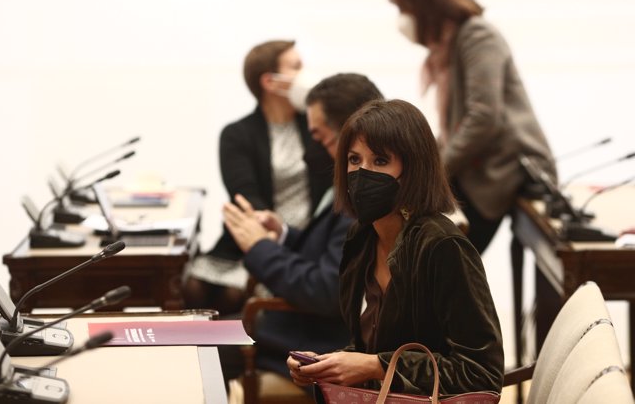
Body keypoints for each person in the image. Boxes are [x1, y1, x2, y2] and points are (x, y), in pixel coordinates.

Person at [287, 99, 504, 396]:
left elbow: (482, 373)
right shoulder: (361, 238)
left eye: (379, 161)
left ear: (413, 167)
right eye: (354, 160)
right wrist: (329, 364)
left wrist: (377, 366)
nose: (362, 173)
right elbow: (373, 347)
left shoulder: (443, 246)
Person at [218, 73, 385, 383]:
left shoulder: (364, 198)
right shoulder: (353, 186)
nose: (318, 150)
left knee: (195, 347)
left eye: (322, 139)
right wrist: (282, 234)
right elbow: (329, 254)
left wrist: (260, 248)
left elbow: (326, 291)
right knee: (196, 333)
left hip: (314, 341)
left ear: (354, 130)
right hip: (291, 325)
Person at [388, 0, 557, 253]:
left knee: (444, 259)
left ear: (425, 5)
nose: (402, 19)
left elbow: (483, 119)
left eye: (404, 8)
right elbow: (455, 126)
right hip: (480, 167)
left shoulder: (477, 36)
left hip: (501, 170)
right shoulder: (450, 46)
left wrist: (434, 171)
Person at [182, 40, 330, 314]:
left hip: (306, 240)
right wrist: (266, 236)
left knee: (235, 295)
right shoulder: (237, 134)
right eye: (296, 67)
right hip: (254, 233)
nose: (305, 74)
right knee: (193, 289)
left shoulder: (317, 128)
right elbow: (245, 195)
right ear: (270, 82)